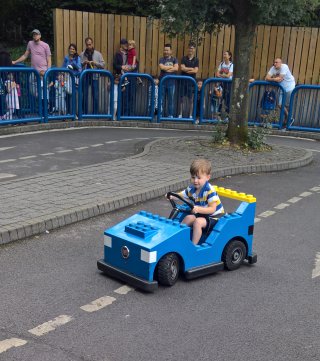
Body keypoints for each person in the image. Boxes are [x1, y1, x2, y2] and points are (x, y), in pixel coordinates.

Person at [167, 159, 224, 245]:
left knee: (197, 222)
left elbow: (212, 209)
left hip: (214, 217)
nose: (195, 180)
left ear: (208, 177)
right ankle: (177, 238)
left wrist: (198, 209)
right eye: (193, 177)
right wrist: (172, 196)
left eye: (199, 178)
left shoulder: (210, 191)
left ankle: (193, 246)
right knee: (189, 218)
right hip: (201, 214)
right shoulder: (192, 189)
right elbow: (181, 195)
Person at [265, 58, 295, 126]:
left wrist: (273, 79)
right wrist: (275, 79)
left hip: (289, 86)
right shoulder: (273, 68)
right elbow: (267, 78)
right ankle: (290, 119)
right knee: (280, 105)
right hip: (282, 87)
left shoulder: (284, 67)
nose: (275, 64)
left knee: (286, 105)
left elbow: (280, 79)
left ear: (281, 63)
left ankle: (286, 121)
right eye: (274, 62)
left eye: (276, 62)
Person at [80, 37, 105, 114]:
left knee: (96, 95)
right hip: (85, 76)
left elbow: (103, 64)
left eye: (90, 44)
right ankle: (85, 113)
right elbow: (78, 66)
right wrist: (83, 63)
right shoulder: (82, 54)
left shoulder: (98, 54)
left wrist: (95, 63)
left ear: (92, 44)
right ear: (85, 45)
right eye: (87, 45)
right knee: (85, 95)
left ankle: (95, 113)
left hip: (95, 76)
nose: (88, 46)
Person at [179, 42, 199, 118]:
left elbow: (195, 71)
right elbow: (182, 68)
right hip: (183, 81)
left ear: (194, 49)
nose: (190, 49)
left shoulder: (196, 60)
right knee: (181, 99)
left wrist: (187, 69)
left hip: (191, 82)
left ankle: (190, 115)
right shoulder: (184, 58)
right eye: (189, 48)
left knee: (191, 99)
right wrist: (191, 69)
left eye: (192, 48)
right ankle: (180, 114)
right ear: (187, 49)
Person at [159, 44, 179, 117]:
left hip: (172, 83)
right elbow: (162, 67)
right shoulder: (161, 59)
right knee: (161, 100)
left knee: (171, 100)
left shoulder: (174, 59)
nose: (166, 52)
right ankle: (160, 114)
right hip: (162, 83)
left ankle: (170, 115)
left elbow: (176, 68)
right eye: (165, 50)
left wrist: (166, 67)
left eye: (167, 50)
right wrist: (171, 67)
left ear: (171, 51)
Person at [216, 50, 233, 114]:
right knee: (220, 98)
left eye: (226, 54)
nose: (224, 56)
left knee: (227, 99)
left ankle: (227, 114)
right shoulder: (221, 64)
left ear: (229, 56)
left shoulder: (231, 65)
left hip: (228, 84)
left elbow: (229, 75)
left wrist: (222, 75)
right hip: (221, 83)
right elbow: (217, 74)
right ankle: (218, 113)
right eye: (224, 54)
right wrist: (223, 75)